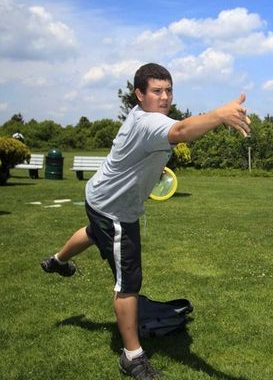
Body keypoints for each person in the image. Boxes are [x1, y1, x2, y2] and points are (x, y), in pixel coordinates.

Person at [41, 63, 250, 379]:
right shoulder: (148, 122)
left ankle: (57, 260)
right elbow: (180, 133)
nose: (164, 97)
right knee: (128, 282)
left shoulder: (145, 119)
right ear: (139, 94)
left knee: (93, 232)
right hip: (115, 212)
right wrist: (219, 115)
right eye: (156, 91)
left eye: (168, 90)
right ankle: (132, 357)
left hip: (97, 199)